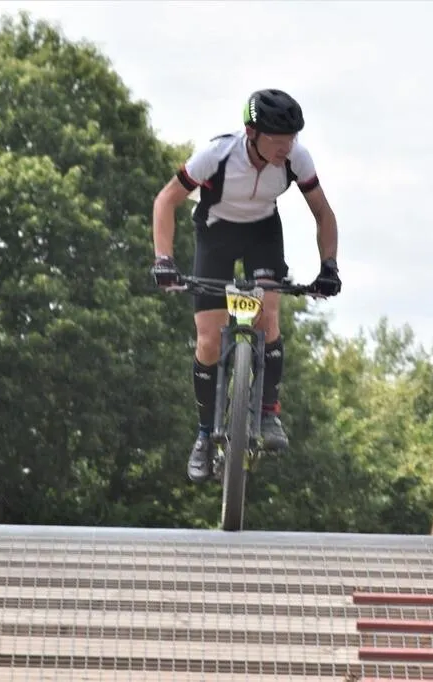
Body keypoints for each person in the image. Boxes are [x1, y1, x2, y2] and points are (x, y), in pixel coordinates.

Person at [150, 88, 342, 483]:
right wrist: (163, 260)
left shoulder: (295, 159)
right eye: (277, 138)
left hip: (262, 234)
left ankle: (268, 412)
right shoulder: (216, 156)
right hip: (216, 233)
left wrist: (329, 267)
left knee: (268, 318)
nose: (286, 147)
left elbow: (323, 212)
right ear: (251, 133)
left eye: (292, 138)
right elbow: (166, 200)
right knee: (207, 341)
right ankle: (204, 435)